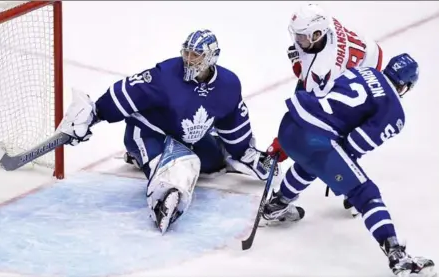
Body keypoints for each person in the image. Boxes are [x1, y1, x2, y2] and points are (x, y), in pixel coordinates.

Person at [57, 29, 276, 234]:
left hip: (188, 136)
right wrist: (95, 114)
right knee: (175, 166)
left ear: (212, 57)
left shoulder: (228, 84)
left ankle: (146, 160)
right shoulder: (165, 76)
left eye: (196, 55)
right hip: (147, 132)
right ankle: (163, 196)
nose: (189, 59)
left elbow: (233, 121)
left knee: (213, 164)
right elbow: (126, 93)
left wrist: (245, 153)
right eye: (187, 53)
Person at [263, 53, 435, 276]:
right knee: (365, 192)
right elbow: (356, 143)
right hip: (316, 140)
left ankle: (278, 204)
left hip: (290, 125)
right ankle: (397, 256)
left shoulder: (366, 71)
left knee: (312, 163)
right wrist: (339, 173)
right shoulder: (395, 111)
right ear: (406, 85)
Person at [270, 3, 385, 214]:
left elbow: (312, 114)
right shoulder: (325, 26)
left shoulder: (325, 68)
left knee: (330, 144)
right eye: (297, 35)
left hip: (364, 77)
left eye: (303, 37)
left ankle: (353, 188)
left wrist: (283, 143)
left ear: (317, 34)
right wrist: (301, 65)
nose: (298, 41)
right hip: (367, 56)